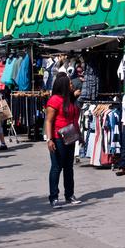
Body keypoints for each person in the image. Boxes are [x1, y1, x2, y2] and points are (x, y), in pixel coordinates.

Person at [45, 73, 82, 209]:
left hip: (70, 137)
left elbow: (74, 119)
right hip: (58, 138)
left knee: (69, 167)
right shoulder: (55, 100)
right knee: (56, 167)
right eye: (70, 84)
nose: (72, 85)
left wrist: (79, 135)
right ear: (64, 85)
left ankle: (69, 195)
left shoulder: (70, 100)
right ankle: (54, 197)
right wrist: (49, 139)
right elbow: (49, 121)